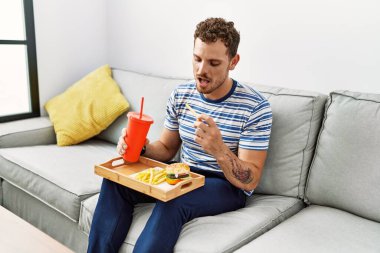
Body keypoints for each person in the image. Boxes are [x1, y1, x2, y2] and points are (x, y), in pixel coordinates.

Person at [87, 17, 272, 253]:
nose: (201, 71)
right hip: (182, 173)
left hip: (226, 185)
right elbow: (165, 148)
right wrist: (142, 147)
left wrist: (219, 149)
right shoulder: (182, 94)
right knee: (115, 182)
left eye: (214, 63)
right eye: (197, 59)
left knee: (174, 198)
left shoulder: (255, 107)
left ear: (233, 61)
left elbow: (251, 179)